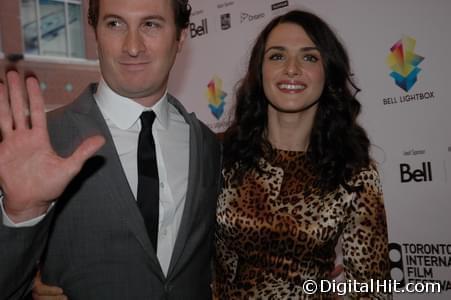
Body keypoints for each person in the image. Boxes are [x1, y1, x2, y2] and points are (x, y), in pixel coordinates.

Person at [0, 0, 222, 299]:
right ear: (95, 33)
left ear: (181, 36)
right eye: (115, 24)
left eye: (151, 25)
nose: (132, 46)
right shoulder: (42, 141)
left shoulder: (207, 145)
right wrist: (21, 215)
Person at [213, 10, 391, 299]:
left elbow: (372, 290)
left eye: (309, 57)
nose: (292, 69)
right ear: (260, 71)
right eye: (277, 56)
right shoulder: (223, 157)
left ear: (328, 73)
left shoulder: (354, 174)